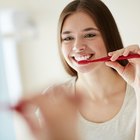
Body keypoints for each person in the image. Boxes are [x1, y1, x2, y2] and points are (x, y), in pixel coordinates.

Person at [15, 0, 140, 140]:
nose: (77, 46)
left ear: (109, 37)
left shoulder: (137, 93)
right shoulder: (54, 101)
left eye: (89, 35)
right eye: (68, 38)